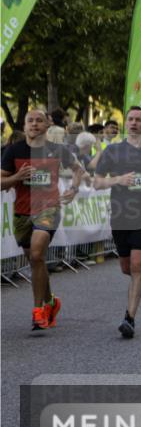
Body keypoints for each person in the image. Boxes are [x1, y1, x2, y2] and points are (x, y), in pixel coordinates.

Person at [0, 108, 86, 331]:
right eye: (30, 121)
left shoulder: (57, 150)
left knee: (37, 254)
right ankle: (51, 302)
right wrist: (18, 177)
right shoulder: (13, 150)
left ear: (47, 126)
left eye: (39, 121)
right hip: (22, 213)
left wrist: (74, 188)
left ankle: (38, 311)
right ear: (25, 125)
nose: (34, 124)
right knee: (34, 260)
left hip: (49, 209)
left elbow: (78, 170)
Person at [92, 106, 141, 339]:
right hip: (121, 213)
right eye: (131, 119)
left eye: (139, 120)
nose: (134, 123)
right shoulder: (113, 151)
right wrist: (119, 179)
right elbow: (97, 182)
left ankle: (129, 318)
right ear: (126, 124)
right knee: (126, 267)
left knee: (135, 265)